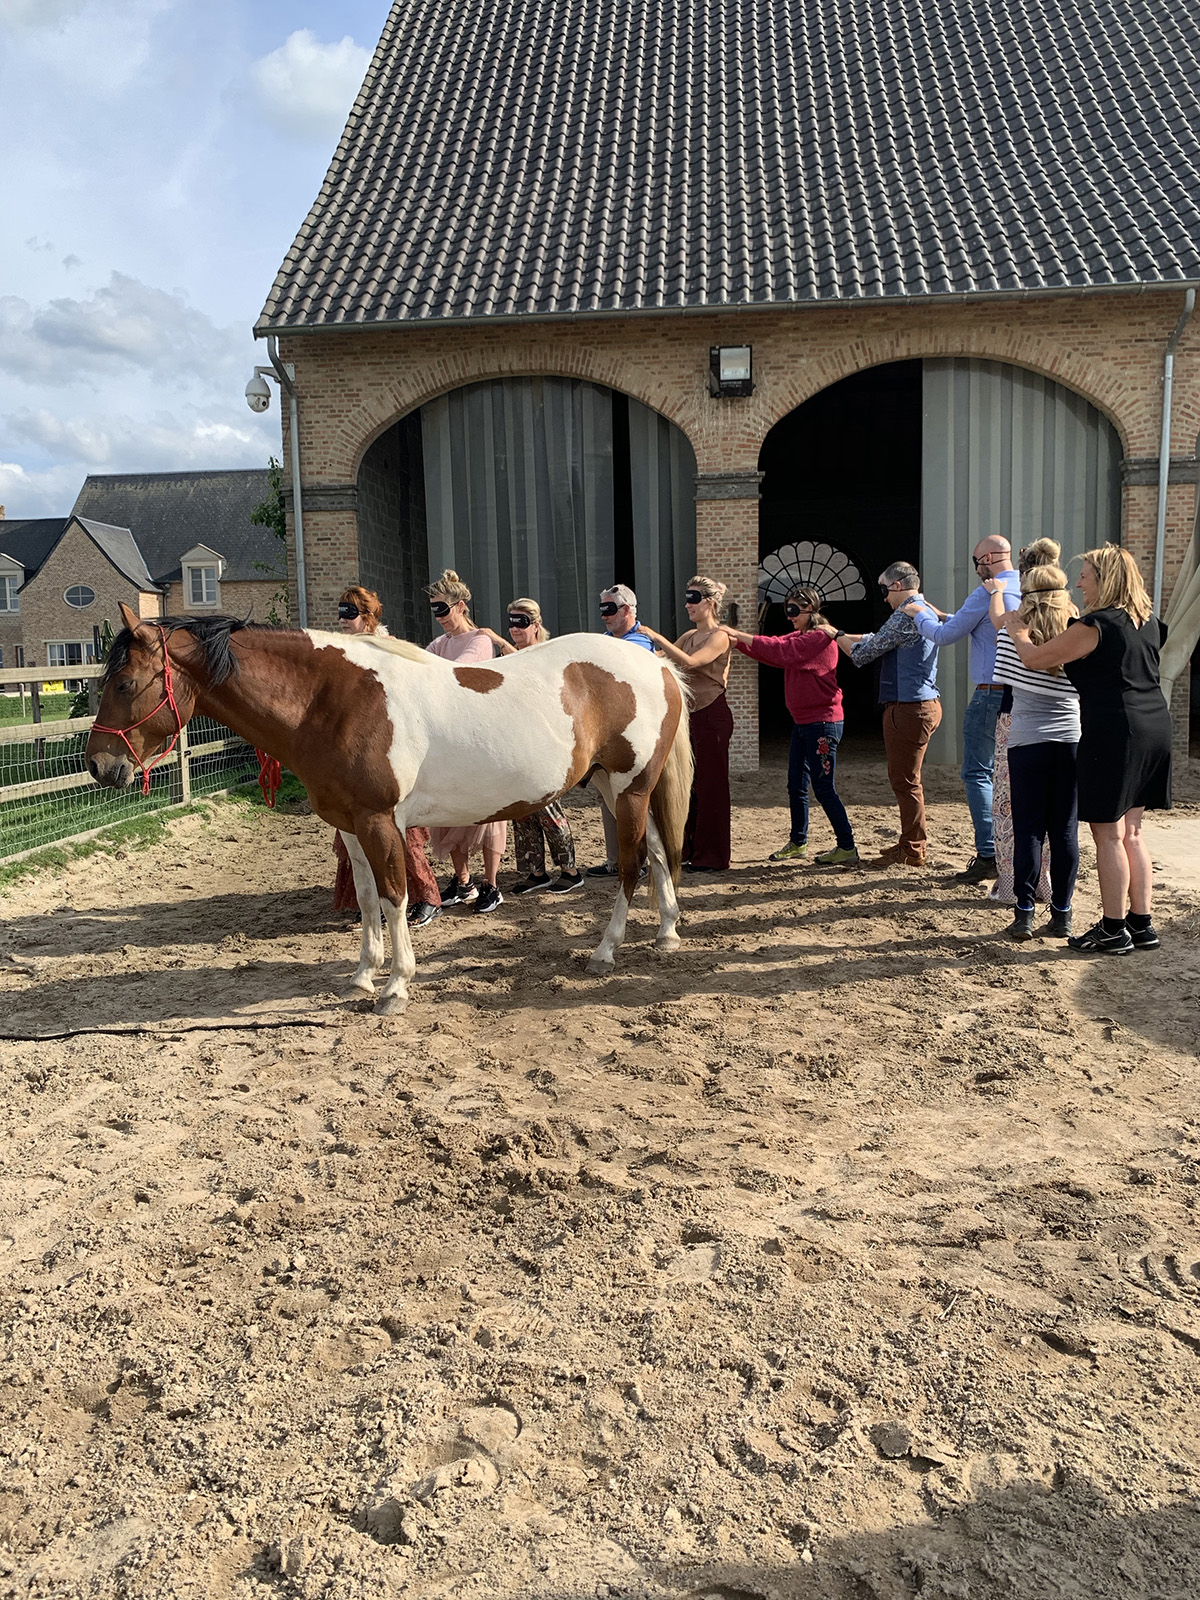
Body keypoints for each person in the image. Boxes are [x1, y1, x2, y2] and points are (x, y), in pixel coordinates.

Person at [1001, 545, 1171, 955]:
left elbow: (1037, 659)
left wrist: (1016, 629)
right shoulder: (1148, 621)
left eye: (1087, 575)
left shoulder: (1096, 625)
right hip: (1155, 726)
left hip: (1116, 731)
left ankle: (1113, 929)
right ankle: (1140, 923)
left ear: (1106, 578)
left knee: (1108, 835)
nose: (1079, 582)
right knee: (1132, 832)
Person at [908, 536, 1021, 882]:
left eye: (976, 561)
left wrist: (919, 615)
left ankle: (988, 853)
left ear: (987, 558)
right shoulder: (1021, 586)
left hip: (989, 692)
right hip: (1022, 693)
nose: (975, 568)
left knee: (977, 773)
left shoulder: (986, 591)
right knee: (1012, 775)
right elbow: (983, 623)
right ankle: (1012, 853)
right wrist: (946, 615)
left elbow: (943, 637)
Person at [330, 586, 444, 928]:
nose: (342, 620)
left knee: (400, 834)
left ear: (367, 618)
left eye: (349, 614)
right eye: (340, 612)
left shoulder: (388, 649)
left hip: (392, 751)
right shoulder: (344, 652)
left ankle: (428, 898)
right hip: (358, 753)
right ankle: (377, 900)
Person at [722, 584, 857, 866]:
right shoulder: (802, 635)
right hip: (804, 723)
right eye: (787, 609)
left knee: (823, 788)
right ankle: (798, 842)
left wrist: (737, 635)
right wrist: (738, 643)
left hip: (822, 725)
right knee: (795, 785)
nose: (789, 616)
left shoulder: (818, 637)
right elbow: (772, 651)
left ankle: (847, 846)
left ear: (810, 608)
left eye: (794, 610)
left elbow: (781, 650)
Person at [987, 548, 1081, 940]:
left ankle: (1024, 912)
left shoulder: (1014, 634)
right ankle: (1062, 914)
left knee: (1028, 828)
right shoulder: (1079, 633)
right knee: (1065, 830)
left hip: (1026, 737)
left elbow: (1004, 682)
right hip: (1070, 737)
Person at [835, 562, 940, 866]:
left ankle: (912, 849)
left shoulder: (904, 614)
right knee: (909, 780)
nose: (883, 598)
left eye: (883, 589)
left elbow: (864, 653)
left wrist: (836, 636)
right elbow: (876, 638)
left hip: (907, 707)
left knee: (905, 782)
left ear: (896, 585)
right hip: (923, 702)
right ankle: (910, 843)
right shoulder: (923, 610)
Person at [424, 569, 507, 915]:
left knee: (487, 814)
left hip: (480, 737)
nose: (439, 617)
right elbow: (422, 665)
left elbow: (457, 673)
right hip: (448, 739)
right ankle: (463, 883)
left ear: (460, 607)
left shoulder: (480, 640)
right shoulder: (439, 643)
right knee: (447, 810)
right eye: (434, 611)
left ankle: (492, 885)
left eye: (443, 609)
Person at [638, 577, 734, 871]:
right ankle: (689, 849)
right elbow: (660, 658)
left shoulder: (720, 636)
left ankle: (714, 857)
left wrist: (657, 635)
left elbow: (692, 663)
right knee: (688, 786)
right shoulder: (690, 634)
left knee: (711, 788)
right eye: (687, 599)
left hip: (712, 715)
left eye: (693, 599)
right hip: (689, 717)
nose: (687, 605)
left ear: (710, 602)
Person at [502, 597, 584, 896]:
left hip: (542, 742)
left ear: (536, 625)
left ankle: (571, 871)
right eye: (511, 622)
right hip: (515, 740)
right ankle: (535, 872)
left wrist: (499, 643)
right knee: (521, 811)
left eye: (521, 622)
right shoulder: (511, 657)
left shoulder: (543, 655)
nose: (514, 628)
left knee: (548, 808)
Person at [588, 583, 657, 875]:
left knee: (639, 801)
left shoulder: (639, 641)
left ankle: (641, 861)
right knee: (608, 799)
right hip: (608, 733)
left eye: (610, 610)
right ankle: (616, 860)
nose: (605, 616)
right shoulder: (605, 640)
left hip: (638, 736)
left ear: (627, 610)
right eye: (602, 610)